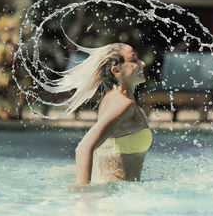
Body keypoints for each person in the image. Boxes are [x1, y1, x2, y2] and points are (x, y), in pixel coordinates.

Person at [56, 42, 151, 184]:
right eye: (133, 60)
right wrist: (84, 196)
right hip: (117, 197)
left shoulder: (110, 98)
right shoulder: (123, 105)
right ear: (116, 71)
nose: (142, 63)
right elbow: (83, 148)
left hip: (111, 193)